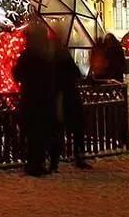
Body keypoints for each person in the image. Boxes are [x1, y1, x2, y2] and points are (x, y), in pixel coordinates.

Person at [12, 18, 55, 176]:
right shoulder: (45, 54)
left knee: (35, 135)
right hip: (42, 99)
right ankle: (37, 163)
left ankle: (35, 164)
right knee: (40, 134)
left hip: (31, 99)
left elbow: (17, 73)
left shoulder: (29, 54)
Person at [50, 37, 91, 171]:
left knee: (59, 131)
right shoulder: (65, 59)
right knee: (74, 131)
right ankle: (77, 157)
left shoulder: (52, 59)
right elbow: (77, 73)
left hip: (61, 98)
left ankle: (54, 162)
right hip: (69, 98)